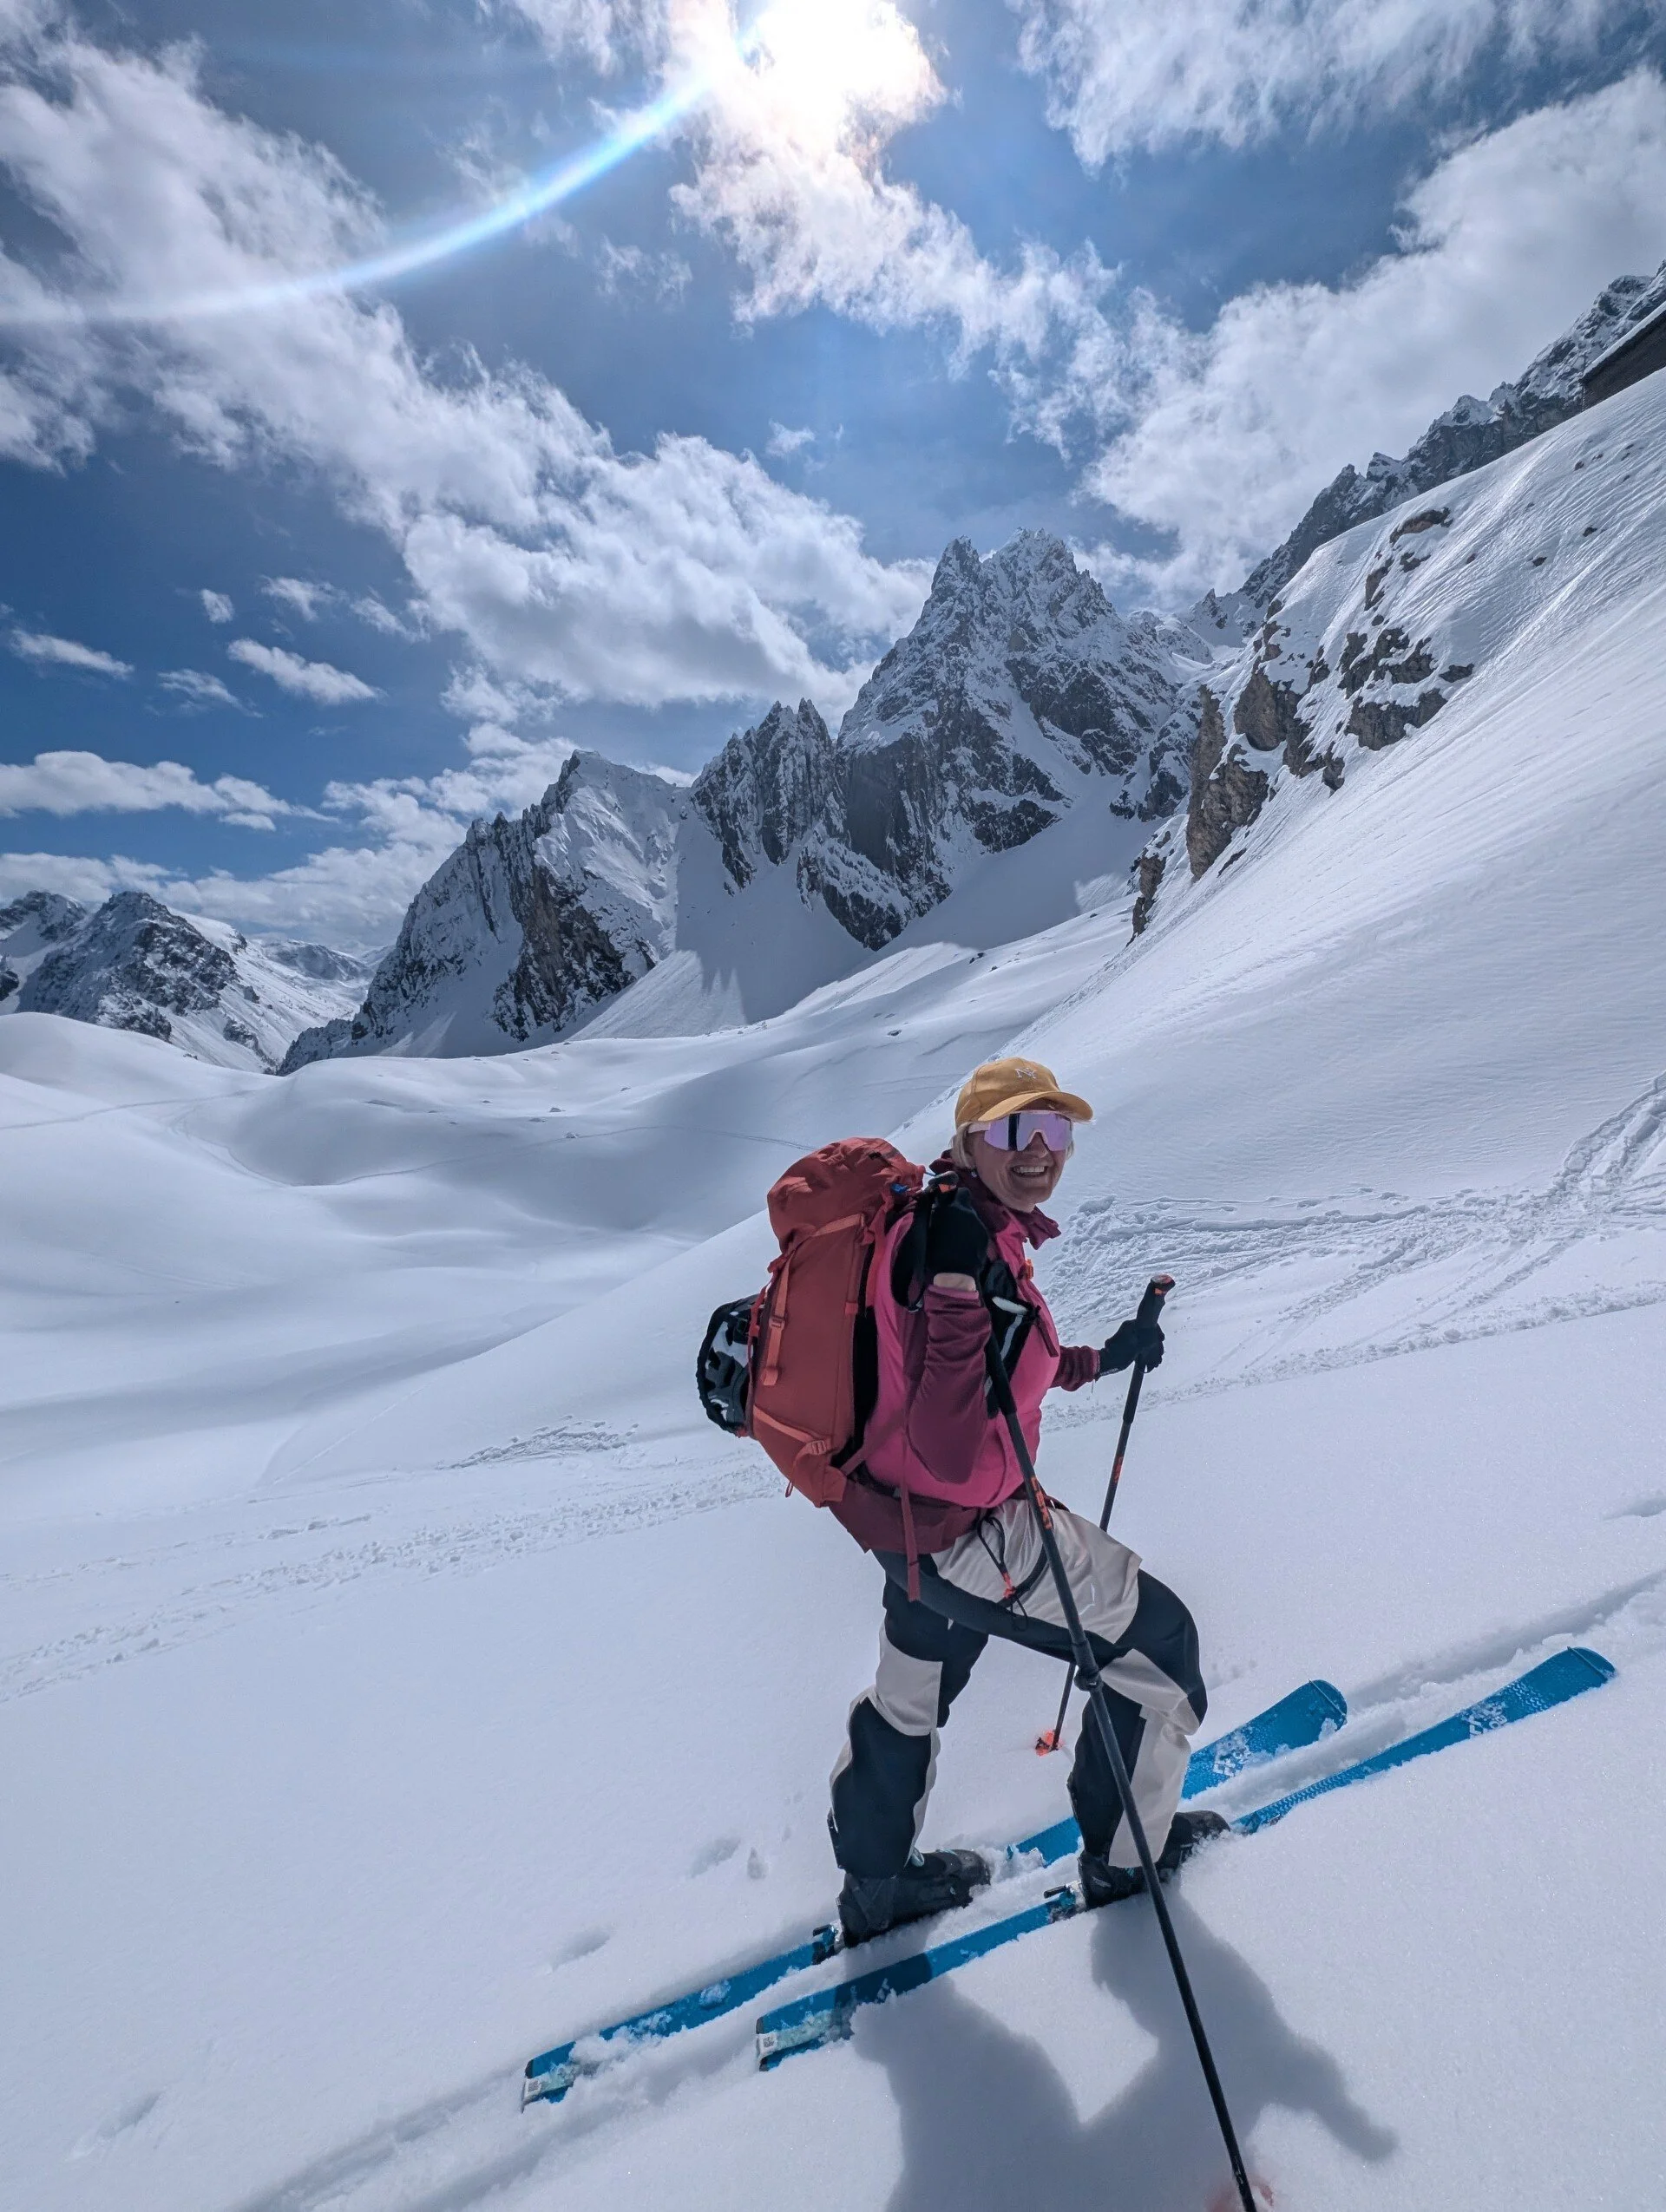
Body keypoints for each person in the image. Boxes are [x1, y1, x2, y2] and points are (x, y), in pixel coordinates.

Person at [826, 1055, 1221, 1943]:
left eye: (1055, 1131)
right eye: (1014, 1130)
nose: (1039, 1149)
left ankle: (876, 1885)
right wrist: (965, 1299)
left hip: (903, 1527)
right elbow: (957, 1441)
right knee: (1161, 1653)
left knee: (907, 1701)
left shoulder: (947, 1226)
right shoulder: (959, 1252)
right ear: (967, 1140)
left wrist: (1105, 1357)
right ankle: (1129, 1860)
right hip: (974, 1534)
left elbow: (1010, 1375)